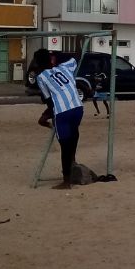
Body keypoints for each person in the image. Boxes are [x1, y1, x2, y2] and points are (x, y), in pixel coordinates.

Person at [37, 53, 85, 189]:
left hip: (62, 111)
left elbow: (49, 101)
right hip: (78, 107)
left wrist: (45, 115)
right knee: (74, 133)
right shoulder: (65, 67)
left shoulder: (41, 77)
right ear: (51, 60)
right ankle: (73, 161)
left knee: (65, 145)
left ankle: (66, 181)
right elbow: (76, 57)